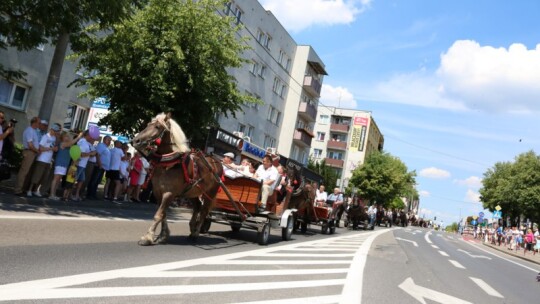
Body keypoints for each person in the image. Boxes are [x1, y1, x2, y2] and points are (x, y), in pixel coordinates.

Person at [27, 123, 60, 197]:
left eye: (57, 131)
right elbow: (41, 148)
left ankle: (35, 190)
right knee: (36, 176)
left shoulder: (54, 138)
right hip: (42, 159)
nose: (56, 132)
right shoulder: (45, 137)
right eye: (55, 131)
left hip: (48, 161)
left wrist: (55, 149)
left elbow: (53, 147)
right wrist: (51, 148)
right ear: (51, 130)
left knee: (43, 177)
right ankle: (29, 190)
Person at [49, 132, 83, 200]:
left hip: (65, 165)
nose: (67, 138)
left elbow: (72, 147)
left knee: (58, 180)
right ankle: (51, 194)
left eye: (68, 136)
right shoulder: (62, 144)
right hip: (60, 163)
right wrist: (78, 137)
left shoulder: (69, 145)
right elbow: (71, 143)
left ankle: (54, 194)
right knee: (56, 179)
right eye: (65, 136)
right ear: (62, 138)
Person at [14, 117, 40, 195]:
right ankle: (18, 190)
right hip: (29, 152)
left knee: (26, 172)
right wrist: (37, 151)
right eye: (39, 123)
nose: (39, 124)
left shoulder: (33, 131)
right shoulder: (29, 131)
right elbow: (30, 144)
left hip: (32, 152)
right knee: (23, 171)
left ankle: (21, 189)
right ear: (34, 123)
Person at [72, 130, 97, 201]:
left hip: (83, 165)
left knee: (81, 180)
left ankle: (76, 194)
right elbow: (81, 154)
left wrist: (92, 153)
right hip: (79, 164)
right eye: (91, 135)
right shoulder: (82, 142)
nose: (92, 137)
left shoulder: (87, 143)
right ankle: (70, 194)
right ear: (88, 135)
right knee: (74, 180)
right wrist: (90, 154)